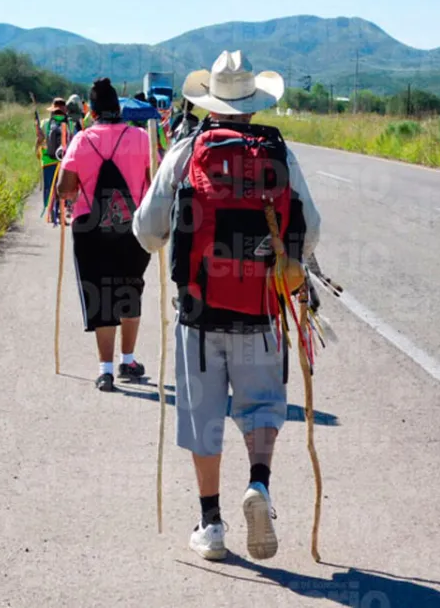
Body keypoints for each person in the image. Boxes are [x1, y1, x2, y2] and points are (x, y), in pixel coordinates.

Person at [133, 50, 321, 562]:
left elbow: (147, 233)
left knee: (203, 416)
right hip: (260, 310)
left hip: (199, 312)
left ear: (209, 102)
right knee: (262, 407)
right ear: (254, 104)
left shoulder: (186, 150)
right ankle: (258, 483)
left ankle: (210, 524)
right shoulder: (279, 153)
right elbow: (312, 230)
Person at [57, 78, 155, 392]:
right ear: (119, 109)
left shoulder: (82, 140)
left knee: (100, 293)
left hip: (90, 230)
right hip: (133, 229)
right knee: (130, 290)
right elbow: (155, 183)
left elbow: (65, 191)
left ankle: (106, 370)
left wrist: (66, 166)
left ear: (91, 111)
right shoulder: (141, 137)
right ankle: (128, 359)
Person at [36, 97, 81, 225]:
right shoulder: (71, 123)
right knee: (63, 187)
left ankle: (50, 213)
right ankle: (63, 212)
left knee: (49, 187)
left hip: (48, 160)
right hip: (65, 160)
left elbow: (40, 141)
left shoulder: (45, 123)